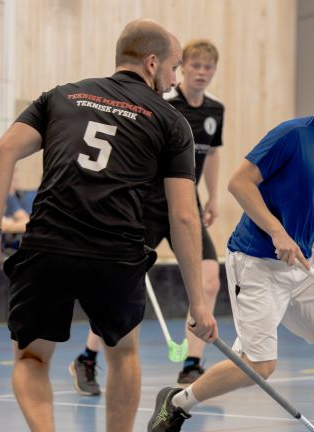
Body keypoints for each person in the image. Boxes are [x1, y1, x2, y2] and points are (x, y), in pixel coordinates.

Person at [0, 19, 217, 432]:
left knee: (32, 358)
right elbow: (184, 217)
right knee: (122, 354)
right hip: (115, 252)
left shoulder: (61, 96)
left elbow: (1, 153)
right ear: (150, 64)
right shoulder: (170, 122)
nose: (171, 80)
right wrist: (197, 301)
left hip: (49, 244)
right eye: (170, 68)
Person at [146, 56, 314, 432]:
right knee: (260, 365)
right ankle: (178, 403)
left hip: (302, 266)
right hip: (255, 260)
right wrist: (276, 230)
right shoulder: (293, 136)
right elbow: (239, 182)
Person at [70, 38, 226, 396]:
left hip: (187, 206)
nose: (201, 73)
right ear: (182, 67)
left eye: (208, 68)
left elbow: (212, 155)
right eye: (195, 66)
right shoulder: (163, 104)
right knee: (121, 284)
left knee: (208, 277)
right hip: (149, 206)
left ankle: (192, 364)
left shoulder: (215, 112)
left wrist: (212, 197)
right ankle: (87, 357)